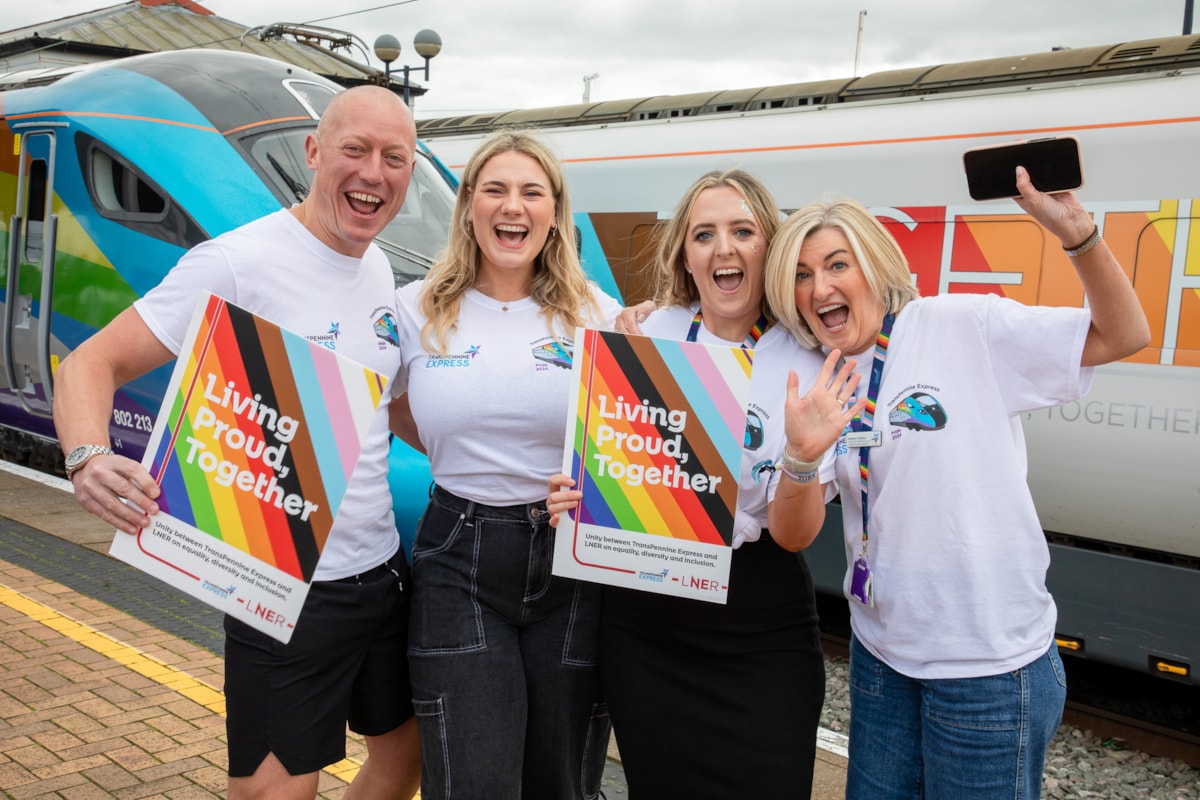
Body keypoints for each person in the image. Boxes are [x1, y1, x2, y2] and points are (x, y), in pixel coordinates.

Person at [51, 86, 421, 800]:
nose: (374, 172)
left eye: (394, 158)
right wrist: (87, 457)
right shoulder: (237, 263)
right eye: (355, 150)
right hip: (280, 584)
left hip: (383, 575)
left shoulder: (379, 271)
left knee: (406, 757)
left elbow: (392, 411)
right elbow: (91, 362)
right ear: (314, 154)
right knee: (275, 793)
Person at [762, 168, 1151, 800]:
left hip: (988, 666)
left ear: (875, 267)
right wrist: (802, 458)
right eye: (801, 276)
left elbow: (1124, 335)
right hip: (881, 657)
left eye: (837, 265)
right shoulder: (814, 373)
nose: (820, 287)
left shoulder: (956, 324)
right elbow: (793, 533)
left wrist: (1081, 240)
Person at [550, 168, 863, 799]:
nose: (724, 248)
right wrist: (578, 499)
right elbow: (618, 469)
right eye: (704, 234)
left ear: (768, 247)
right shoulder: (645, 335)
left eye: (742, 231)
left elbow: (796, 535)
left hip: (760, 616)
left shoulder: (811, 358)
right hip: (646, 622)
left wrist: (801, 457)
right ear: (685, 256)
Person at [388, 130, 621, 800]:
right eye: (494, 189)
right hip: (458, 555)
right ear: (467, 206)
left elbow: (631, 440)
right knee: (473, 782)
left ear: (554, 213)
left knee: (564, 783)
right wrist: (455, 445)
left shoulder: (599, 316)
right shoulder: (415, 309)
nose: (511, 206)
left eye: (530, 192)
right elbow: (386, 403)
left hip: (575, 563)